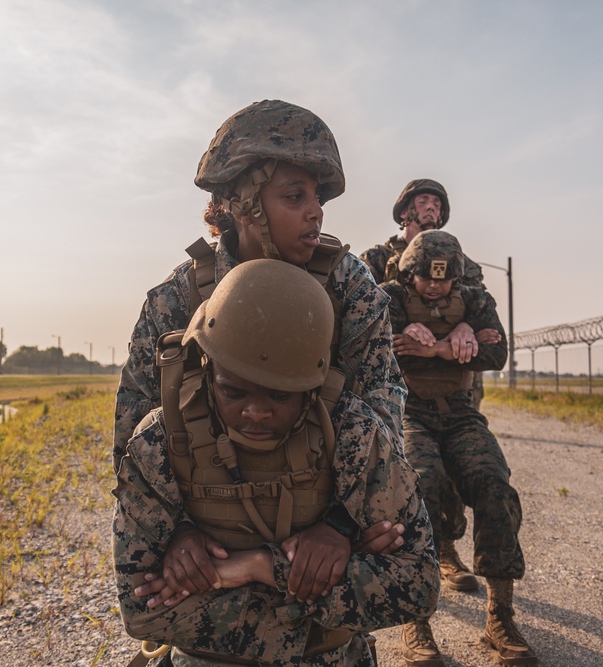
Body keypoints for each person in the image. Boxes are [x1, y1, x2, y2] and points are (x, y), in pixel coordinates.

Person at [113, 260, 439, 666]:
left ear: (313, 385)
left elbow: (419, 587)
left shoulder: (353, 431)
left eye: (280, 396)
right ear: (207, 370)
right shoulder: (160, 439)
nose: (255, 413)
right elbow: (142, 611)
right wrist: (341, 570)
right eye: (233, 392)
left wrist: (256, 567)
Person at [114, 99, 405, 474]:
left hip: (322, 508)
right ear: (242, 204)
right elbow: (133, 434)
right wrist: (178, 532)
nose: (316, 211)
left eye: (318, 196)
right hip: (203, 509)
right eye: (294, 196)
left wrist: (344, 527)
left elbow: (384, 411)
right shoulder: (178, 297)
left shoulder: (349, 287)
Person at [380, 230, 537, 666]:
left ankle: (500, 617)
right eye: (427, 279)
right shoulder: (390, 296)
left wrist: (441, 348)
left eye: (445, 279)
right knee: (419, 488)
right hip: (411, 412)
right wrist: (452, 342)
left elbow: (496, 353)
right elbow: (383, 350)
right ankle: (416, 621)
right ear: (409, 272)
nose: (435, 287)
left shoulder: (474, 299)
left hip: (461, 412)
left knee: (494, 485)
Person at [359, 179, 482, 594]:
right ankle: (406, 557)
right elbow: (362, 303)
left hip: (454, 383)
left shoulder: (457, 257)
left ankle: (444, 550)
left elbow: (477, 302)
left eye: (436, 202)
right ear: (405, 212)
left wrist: (465, 323)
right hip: (396, 382)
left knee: (453, 469)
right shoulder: (378, 258)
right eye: (422, 201)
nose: (430, 207)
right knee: (405, 472)